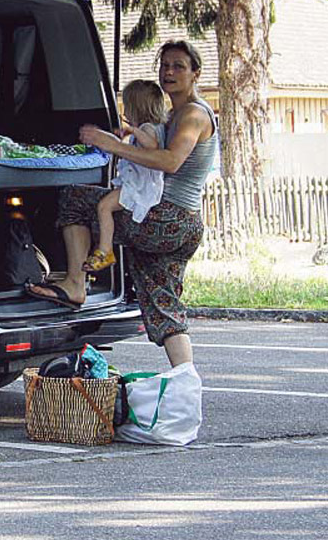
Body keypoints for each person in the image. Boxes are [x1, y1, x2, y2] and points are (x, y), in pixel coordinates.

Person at [26, 40, 219, 369]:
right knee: (164, 305)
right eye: (165, 65)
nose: (169, 71)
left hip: (164, 220)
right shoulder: (174, 114)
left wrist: (110, 144)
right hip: (182, 223)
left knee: (75, 198)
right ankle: (187, 383)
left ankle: (75, 283)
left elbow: (170, 161)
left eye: (179, 66)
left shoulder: (193, 114)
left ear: (196, 73)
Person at [84, 79, 167, 272]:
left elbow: (151, 146)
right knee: (105, 206)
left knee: (104, 206)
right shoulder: (149, 128)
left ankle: (105, 250)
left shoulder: (148, 128)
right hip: (136, 185)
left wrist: (133, 130)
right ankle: (105, 250)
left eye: (128, 106)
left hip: (140, 188)